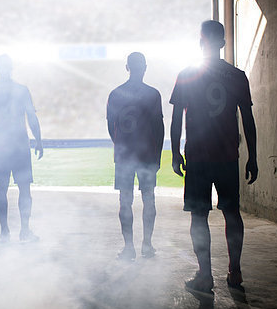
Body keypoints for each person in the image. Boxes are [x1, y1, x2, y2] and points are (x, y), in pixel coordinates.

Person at [170, 20, 258, 293]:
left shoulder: (187, 74)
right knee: (232, 213)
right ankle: (235, 271)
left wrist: (175, 152)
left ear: (200, 42)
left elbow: (175, 119)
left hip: (198, 156)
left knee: (199, 216)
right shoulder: (237, 76)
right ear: (222, 42)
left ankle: (205, 276)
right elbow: (248, 120)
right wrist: (252, 156)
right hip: (227, 156)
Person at [107, 52, 164, 261]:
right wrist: (156, 156)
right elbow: (159, 128)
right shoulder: (153, 94)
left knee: (125, 201)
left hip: (125, 155)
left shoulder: (116, 94)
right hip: (147, 155)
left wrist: (122, 145)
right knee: (148, 199)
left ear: (127, 67)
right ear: (145, 67)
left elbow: (111, 127)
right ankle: (147, 245)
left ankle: (129, 247)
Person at [0, 54, 43, 242]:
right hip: (19, 145)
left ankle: (5, 231)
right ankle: (24, 231)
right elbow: (31, 117)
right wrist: (38, 140)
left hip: (1, 146)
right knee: (24, 188)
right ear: (11, 67)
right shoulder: (21, 90)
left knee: (1, 188)